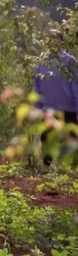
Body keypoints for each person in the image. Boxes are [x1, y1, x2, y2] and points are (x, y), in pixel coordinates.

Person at [33, 38, 78, 166]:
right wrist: (38, 106)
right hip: (51, 108)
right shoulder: (42, 62)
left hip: (65, 107)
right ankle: (51, 167)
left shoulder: (69, 62)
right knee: (49, 139)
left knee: (71, 138)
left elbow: (76, 85)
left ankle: (69, 168)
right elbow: (37, 85)